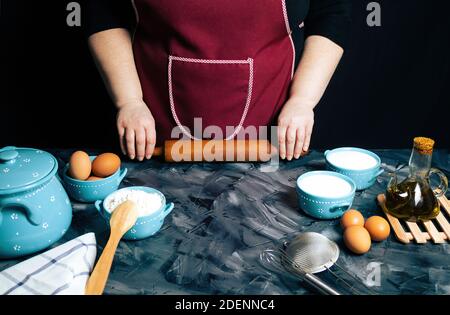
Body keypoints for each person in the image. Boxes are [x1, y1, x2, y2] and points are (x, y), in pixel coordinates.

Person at [85, 0, 351, 161]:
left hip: (271, 143)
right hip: (154, 140)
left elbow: (331, 12)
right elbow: (102, 9)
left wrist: (303, 100)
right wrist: (129, 101)